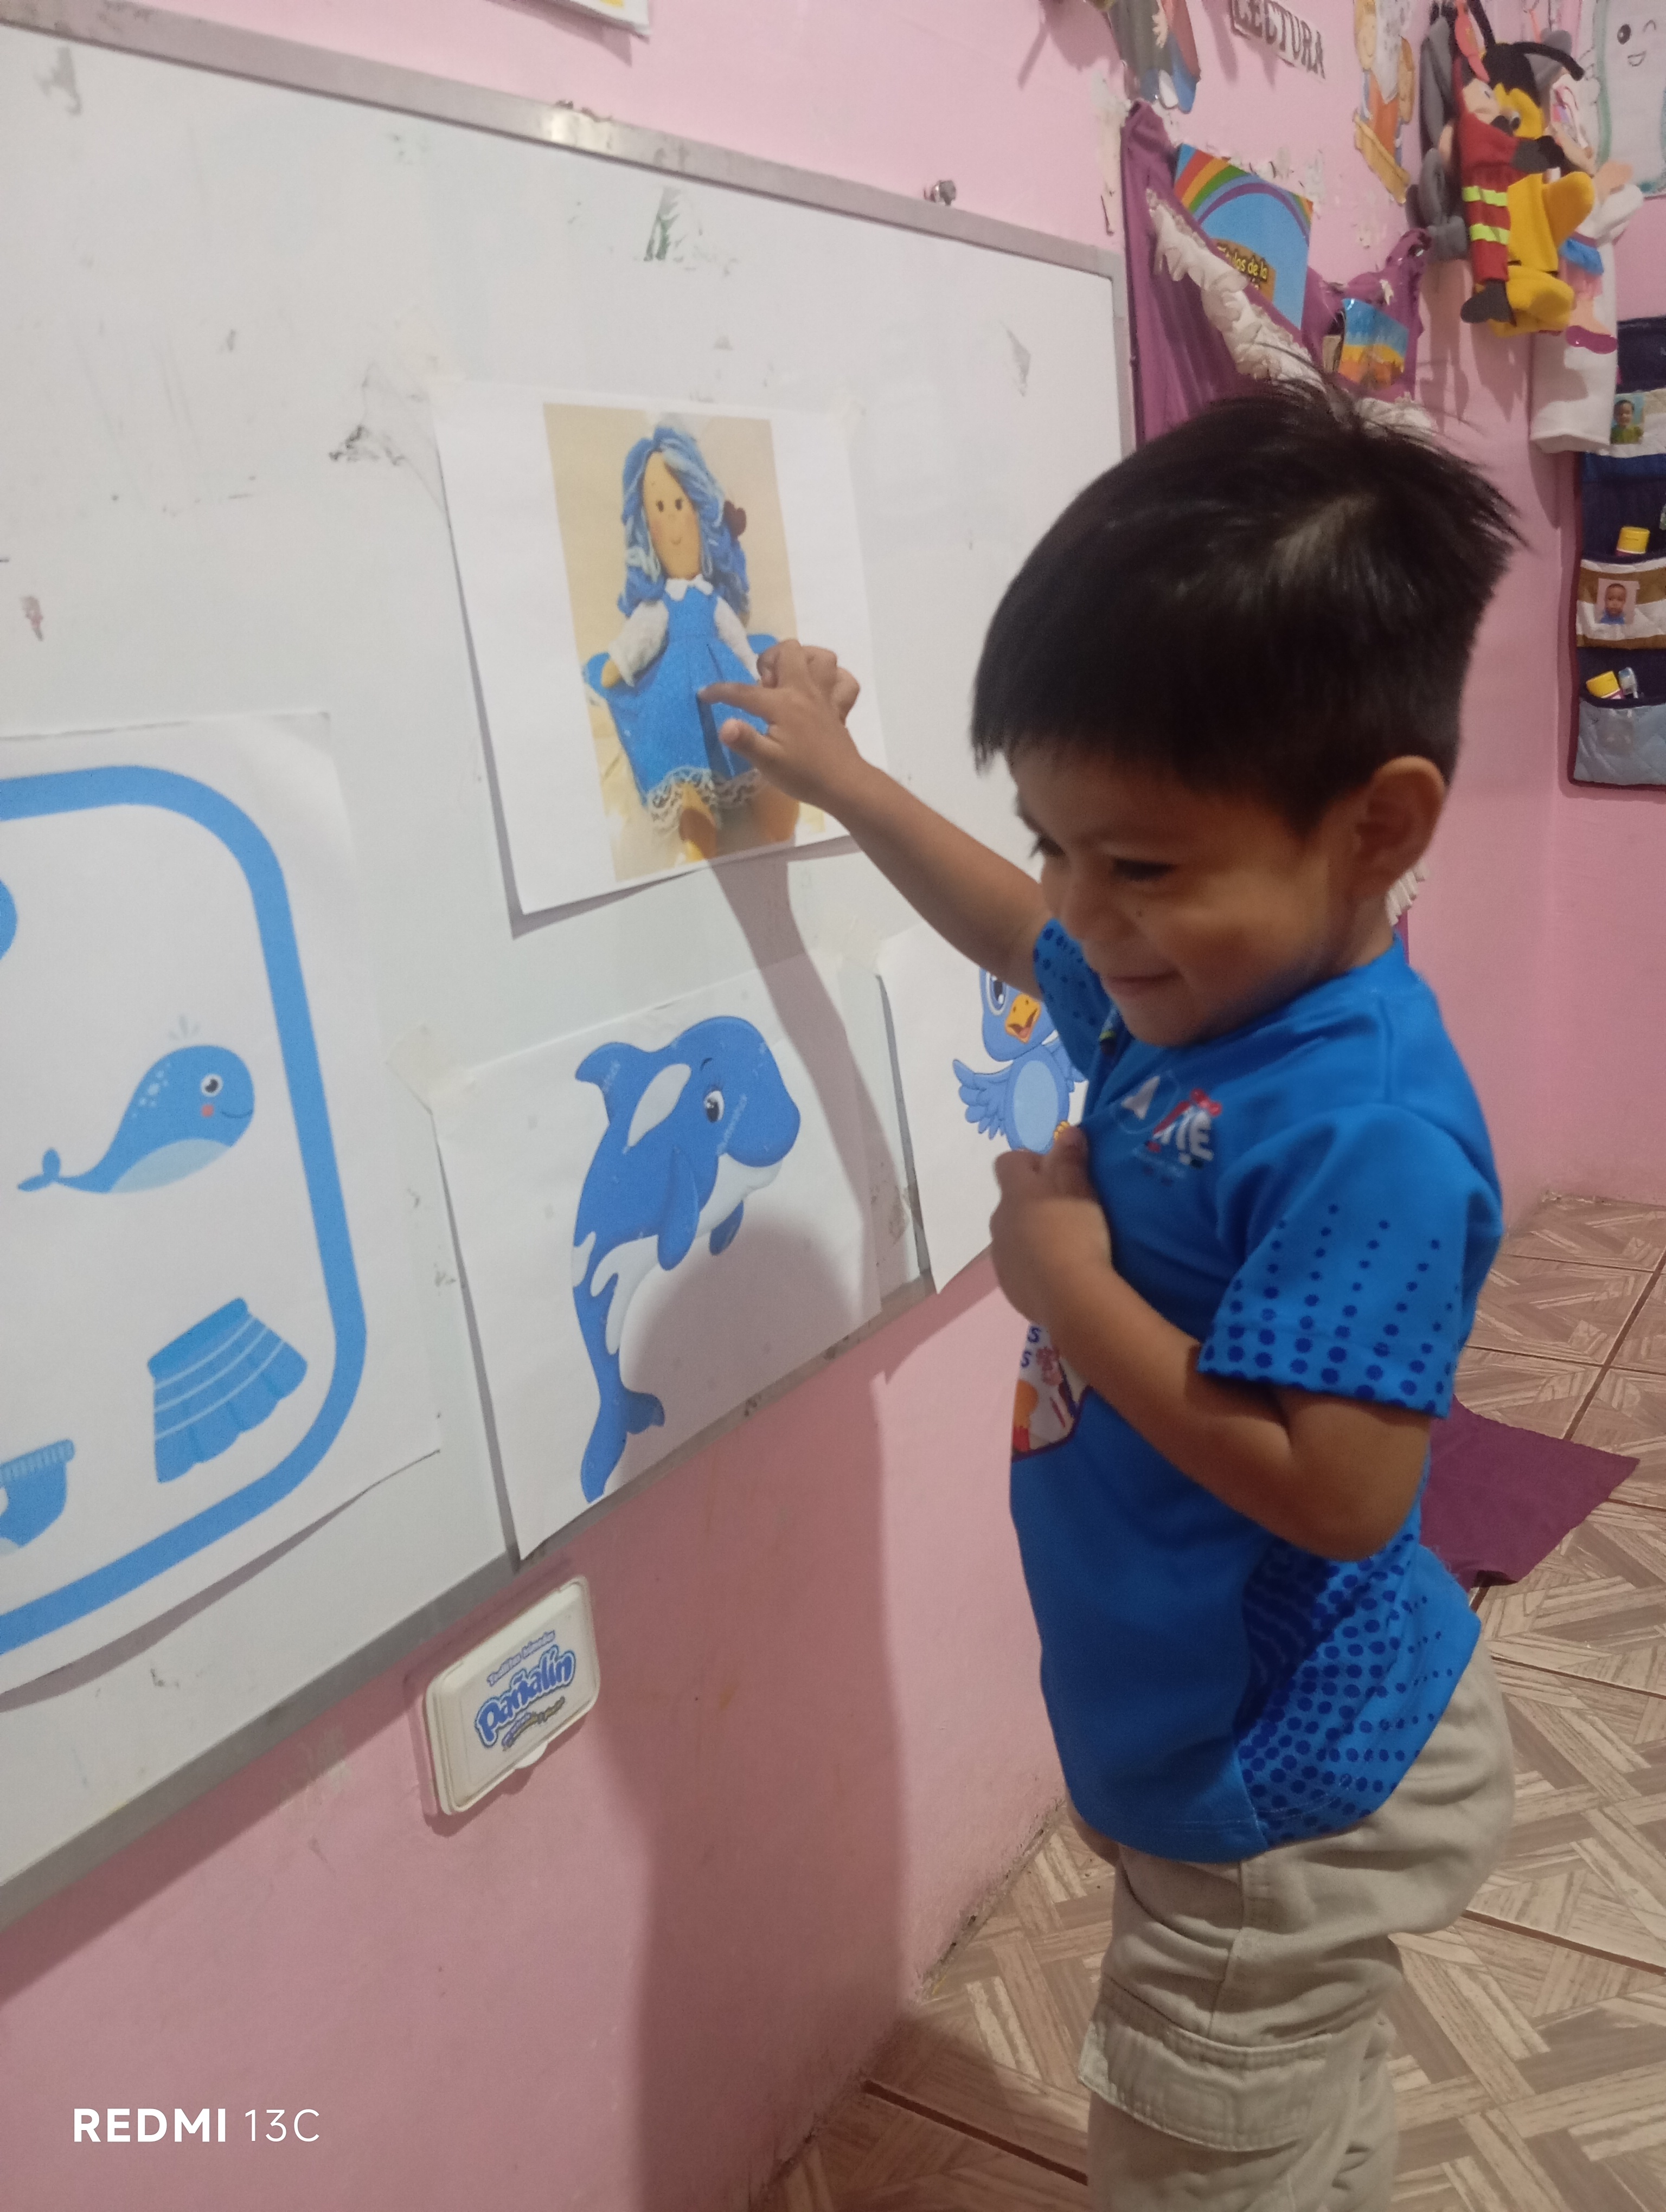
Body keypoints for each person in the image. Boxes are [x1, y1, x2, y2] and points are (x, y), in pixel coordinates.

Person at [702, 383, 1519, 2211]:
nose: (1083, 909)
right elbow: (1023, 931)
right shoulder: (1195, 994)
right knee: (1297, 2124)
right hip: (1222, 1734)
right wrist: (846, 781)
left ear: (1377, 828)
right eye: (1055, 839)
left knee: (1199, 2160)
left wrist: (1067, 1288)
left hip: (1283, 1787)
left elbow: (1347, 1491)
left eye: (1135, 863)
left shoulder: (1364, 1127)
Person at [585, 421, 796, 861]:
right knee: (678, 745)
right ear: (648, 528)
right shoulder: (660, 605)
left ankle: (765, 789)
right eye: (659, 508)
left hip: (725, 681)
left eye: (679, 505)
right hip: (676, 694)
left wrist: (756, 671)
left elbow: (739, 644)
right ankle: (694, 809)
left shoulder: (714, 601)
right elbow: (639, 640)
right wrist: (619, 663)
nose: (673, 521)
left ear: (700, 513)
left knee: (745, 731)